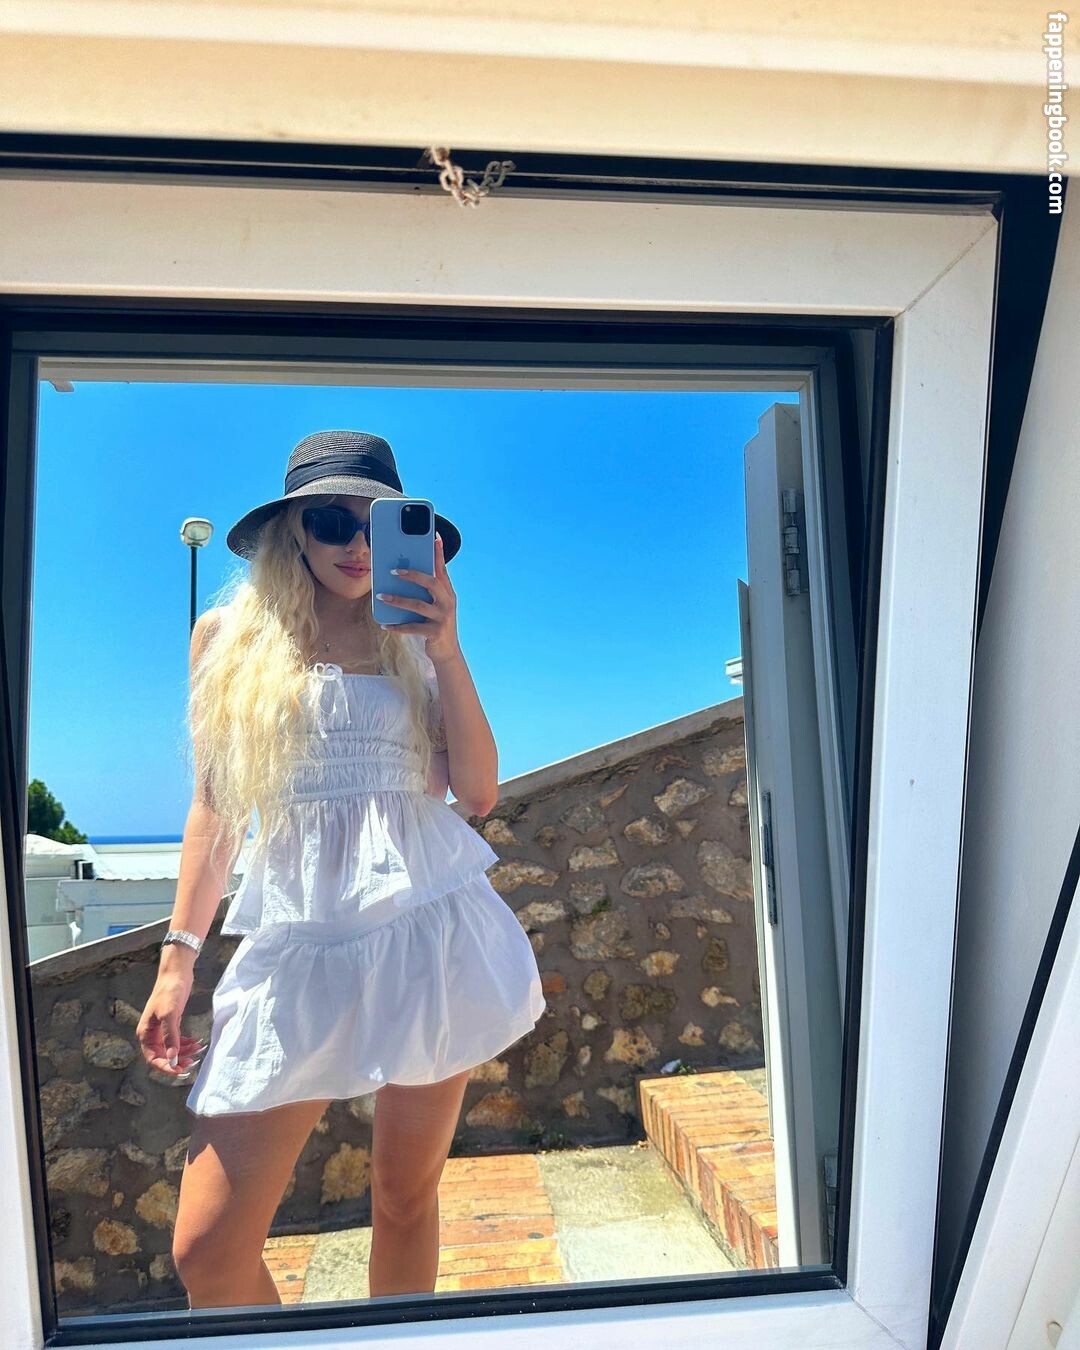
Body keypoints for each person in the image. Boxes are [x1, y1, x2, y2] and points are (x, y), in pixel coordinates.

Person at [135, 429, 546, 1309]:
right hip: (295, 941)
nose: (356, 544)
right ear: (293, 529)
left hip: (426, 928)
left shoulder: (417, 636)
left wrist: (446, 648)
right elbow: (216, 807)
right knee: (208, 1251)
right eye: (331, 521)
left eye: (376, 523)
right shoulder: (228, 637)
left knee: (403, 1198)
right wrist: (178, 960)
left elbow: (477, 792)